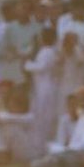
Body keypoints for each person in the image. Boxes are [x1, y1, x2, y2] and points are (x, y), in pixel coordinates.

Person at [24, 25, 60, 154]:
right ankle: (39, 146)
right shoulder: (45, 51)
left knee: (44, 117)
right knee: (40, 117)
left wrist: (27, 64)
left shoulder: (47, 51)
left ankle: (44, 146)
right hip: (41, 85)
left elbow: (41, 67)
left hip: (46, 86)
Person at [0, 0, 40, 85]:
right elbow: (4, 48)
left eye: (27, 9)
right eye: (22, 8)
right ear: (16, 10)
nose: (24, 11)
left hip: (30, 65)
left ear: (31, 12)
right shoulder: (10, 28)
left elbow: (38, 48)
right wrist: (12, 53)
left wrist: (27, 55)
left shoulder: (37, 28)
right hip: (14, 65)